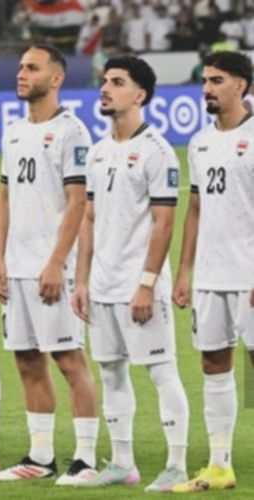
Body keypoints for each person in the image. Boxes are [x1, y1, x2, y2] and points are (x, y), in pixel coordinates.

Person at [72, 55, 190, 492]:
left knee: (161, 371)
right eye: (104, 80)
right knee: (110, 372)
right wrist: (81, 280)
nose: (105, 88)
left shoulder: (157, 152)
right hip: (102, 286)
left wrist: (146, 283)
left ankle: (176, 465)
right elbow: (88, 218)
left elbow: (164, 223)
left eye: (117, 82)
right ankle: (123, 463)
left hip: (140, 287)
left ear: (139, 95)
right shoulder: (98, 151)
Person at [0, 44, 99, 486]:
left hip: (54, 268)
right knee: (27, 360)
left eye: (31, 68)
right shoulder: (14, 132)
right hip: (17, 267)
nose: (21, 73)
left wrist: (56, 262)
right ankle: (40, 456)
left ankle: (86, 459)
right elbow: (4, 198)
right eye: (20, 67)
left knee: (69, 361)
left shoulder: (72, 132)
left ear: (55, 78)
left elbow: (78, 204)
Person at [172, 50, 254, 493]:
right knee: (213, 364)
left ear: (241, 85)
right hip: (210, 276)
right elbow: (196, 209)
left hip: (249, 275)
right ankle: (220, 465)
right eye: (205, 81)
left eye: (216, 81)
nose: (206, 89)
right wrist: (184, 270)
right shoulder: (200, 142)